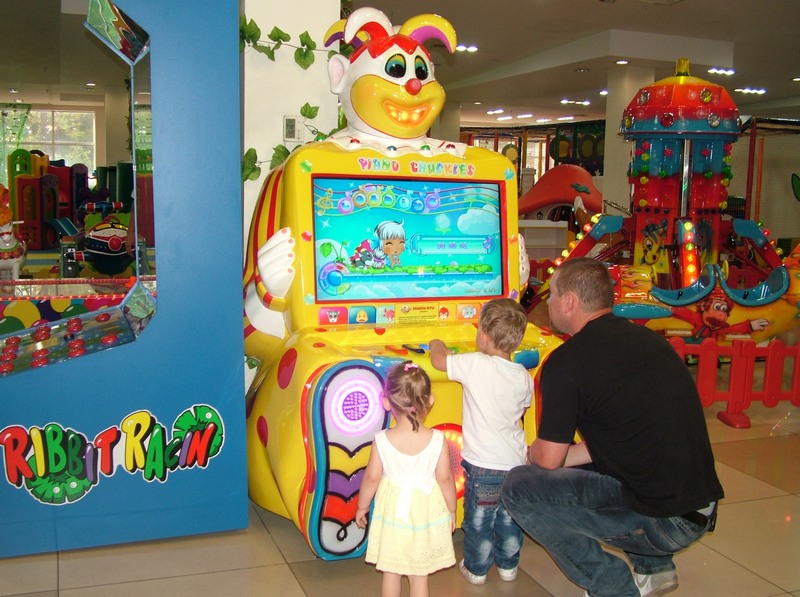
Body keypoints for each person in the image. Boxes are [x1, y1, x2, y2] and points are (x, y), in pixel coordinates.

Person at [501, 258, 724, 597]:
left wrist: (529, 453)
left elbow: (547, 459)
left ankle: (612, 587)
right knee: (601, 463)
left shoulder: (566, 361)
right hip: (700, 506)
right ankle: (655, 570)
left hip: (664, 521)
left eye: (553, 294)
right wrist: (559, 459)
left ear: (569, 301)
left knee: (519, 487)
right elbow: (622, 437)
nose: (548, 302)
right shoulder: (650, 341)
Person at [429, 298, 533, 585]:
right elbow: (523, 408)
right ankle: (508, 566)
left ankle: (476, 569)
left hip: (483, 466)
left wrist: (437, 342)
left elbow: (438, 361)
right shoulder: (523, 375)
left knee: (479, 521)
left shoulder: (474, 363)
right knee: (509, 519)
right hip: (515, 465)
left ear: (484, 336)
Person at [356, 361, 456, 597]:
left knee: (391, 570)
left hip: (393, 514)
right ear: (429, 400)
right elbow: (445, 479)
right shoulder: (438, 439)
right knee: (419, 574)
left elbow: (371, 478)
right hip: (426, 512)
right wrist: (451, 509)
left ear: (386, 402)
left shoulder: (382, 440)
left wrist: (362, 507)